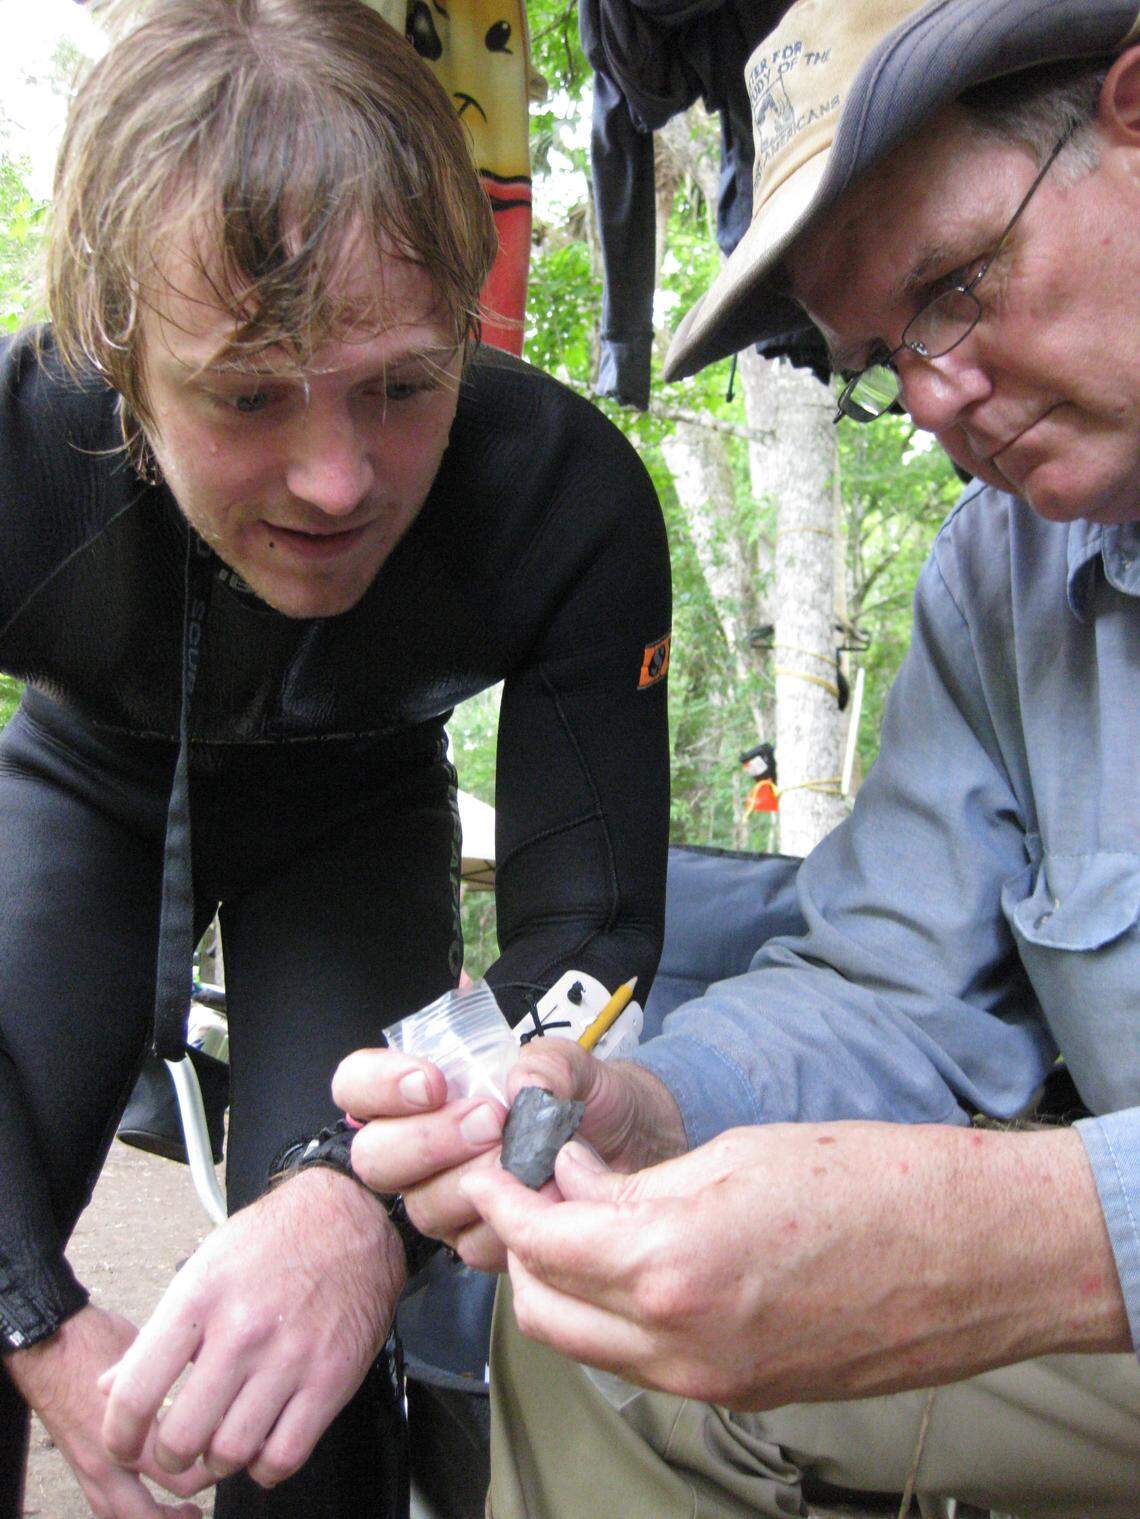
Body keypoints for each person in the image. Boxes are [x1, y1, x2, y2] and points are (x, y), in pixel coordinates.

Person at [335, 1, 1140, 1515]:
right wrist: (653, 1110)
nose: (929, 406)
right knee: (604, 1329)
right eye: (881, 359)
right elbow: (892, 991)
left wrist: (1022, 1241)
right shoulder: (1000, 587)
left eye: (955, 288)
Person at [0, 2, 671, 1517]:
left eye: (402, 385)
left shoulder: (560, 493)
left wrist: (351, 1203)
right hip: (86, 785)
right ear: (116, 357)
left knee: (315, 1367)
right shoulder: (18, 454)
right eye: (247, 394)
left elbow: (596, 938)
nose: (336, 480)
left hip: (360, 809)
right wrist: (34, 1317)